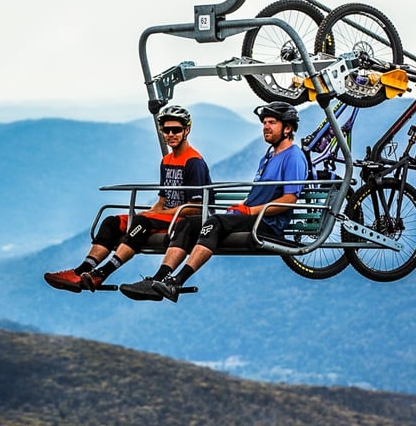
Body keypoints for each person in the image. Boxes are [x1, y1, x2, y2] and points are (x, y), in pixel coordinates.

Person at [120, 101, 306, 302]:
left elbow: (290, 199)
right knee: (190, 223)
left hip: (267, 223)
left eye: (272, 123)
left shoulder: (293, 156)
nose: (266, 127)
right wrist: (243, 204)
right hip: (251, 216)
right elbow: (259, 193)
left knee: (214, 222)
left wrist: (251, 211)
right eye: (264, 123)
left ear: (287, 128)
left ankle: (176, 282)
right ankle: (158, 280)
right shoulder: (269, 156)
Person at [44, 104, 212, 293]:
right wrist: (152, 211)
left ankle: (102, 273)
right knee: (112, 222)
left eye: (176, 130)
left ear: (187, 130)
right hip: (167, 217)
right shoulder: (167, 161)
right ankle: (81, 271)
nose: (171, 134)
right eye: (166, 130)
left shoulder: (193, 162)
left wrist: (155, 215)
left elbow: (196, 207)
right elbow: (163, 199)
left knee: (140, 222)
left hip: (184, 220)